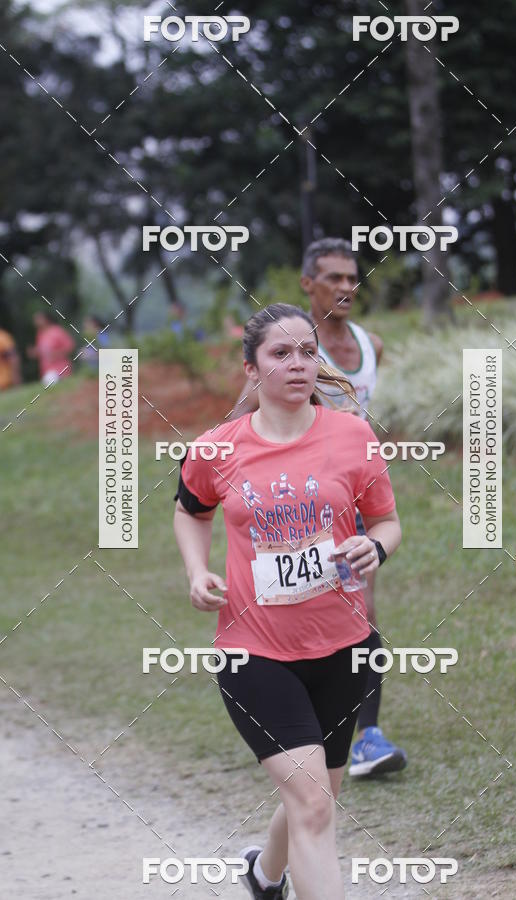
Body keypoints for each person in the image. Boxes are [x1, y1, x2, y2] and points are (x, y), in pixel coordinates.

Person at [173, 303, 402, 899]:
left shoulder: (353, 434)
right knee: (312, 804)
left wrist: (374, 549)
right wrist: (197, 571)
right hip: (254, 653)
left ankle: (263, 874)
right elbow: (190, 511)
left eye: (307, 351)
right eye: (281, 353)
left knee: (315, 798)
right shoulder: (217, 448)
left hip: (344, 648)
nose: (298, 364)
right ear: (252, 369)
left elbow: (387, 522)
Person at [233, 237, 407, 778]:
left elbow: (370, 414)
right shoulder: (289, 348)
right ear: (307, 285)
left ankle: (365, 736)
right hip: (292, 503)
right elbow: (244, 413)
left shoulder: (370, 343)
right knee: (302, 602)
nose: (345, 287)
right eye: (332, 277)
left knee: (364, 611)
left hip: (349, 494)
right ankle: (300, 726)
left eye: (352, 277)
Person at [27, 310, 75, 386]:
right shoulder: (40, 333)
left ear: (46, 319)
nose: (36, 321)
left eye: (38, 319)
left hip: (60, 369)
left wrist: (56, 354)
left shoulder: (57, 331)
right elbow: (43, 351)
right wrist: (35, 352)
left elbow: (70, 347)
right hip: (46, 370)